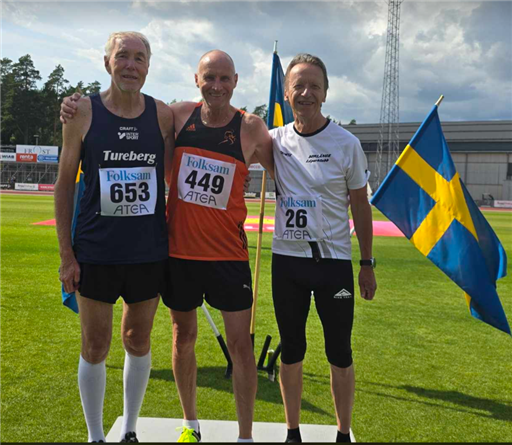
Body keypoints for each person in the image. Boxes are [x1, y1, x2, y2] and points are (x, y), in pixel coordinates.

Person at [61, 49, 274, 443]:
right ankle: (190, 425)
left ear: (236, 82)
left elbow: (286, 171)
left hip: (229, 256)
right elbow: (127, 111)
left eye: (224, 78)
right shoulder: (175, 115)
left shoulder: (251, 127)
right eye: (209, 77)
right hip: (178, 253)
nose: (216, 86)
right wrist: (74, 103)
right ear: (196, 80)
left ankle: (245, 437)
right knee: (183, 338)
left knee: (241, 348)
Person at [55, 31, 174, 443]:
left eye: (140, 58)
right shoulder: (82, 112)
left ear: (148, 67)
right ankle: (95, 436)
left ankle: (129, 429)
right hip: (96, 250)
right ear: (107, 62)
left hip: (147, 252)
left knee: (137, 340)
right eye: (122, 56)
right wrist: (66, 255)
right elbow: (64, 185)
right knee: (95, 345)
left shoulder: (162, 115)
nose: (130, 65)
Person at [269, 54, 377, 443]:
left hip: (333, 264)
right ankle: (292, 432)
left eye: (315, 86)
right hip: (287, 263)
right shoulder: (274, 140)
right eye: (298, 85)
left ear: (326, 93)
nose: (306, 93)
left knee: (339, 351)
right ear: (286, 93)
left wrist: (367, 263)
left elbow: (361, 206)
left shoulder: (346, 144)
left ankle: (343, 433)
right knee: (291, 349)